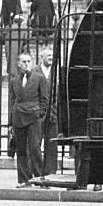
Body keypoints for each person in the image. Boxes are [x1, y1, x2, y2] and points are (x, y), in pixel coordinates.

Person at [9, 50, 48, 187]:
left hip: (34, 116)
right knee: (21, 149)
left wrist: (40, 114)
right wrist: (10, 122)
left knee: (35, 147)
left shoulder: (39, 78)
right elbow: (12, 101)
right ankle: (23, 179)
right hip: (18, 116)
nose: (26, 64)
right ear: (19, 64)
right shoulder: (14, 80)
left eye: (29, 61)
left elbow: (44, 99)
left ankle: (38, 177)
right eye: (24, 62)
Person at [32, 48, 59, 177]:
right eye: (48, 55)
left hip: (53, 112)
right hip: (39, 111)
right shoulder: (35, 71)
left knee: (52, 142)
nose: (51, 57)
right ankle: (37, 170)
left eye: (52, 55)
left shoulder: (57, 71)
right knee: (35, 142)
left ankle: (51, 170)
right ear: (41, 56)